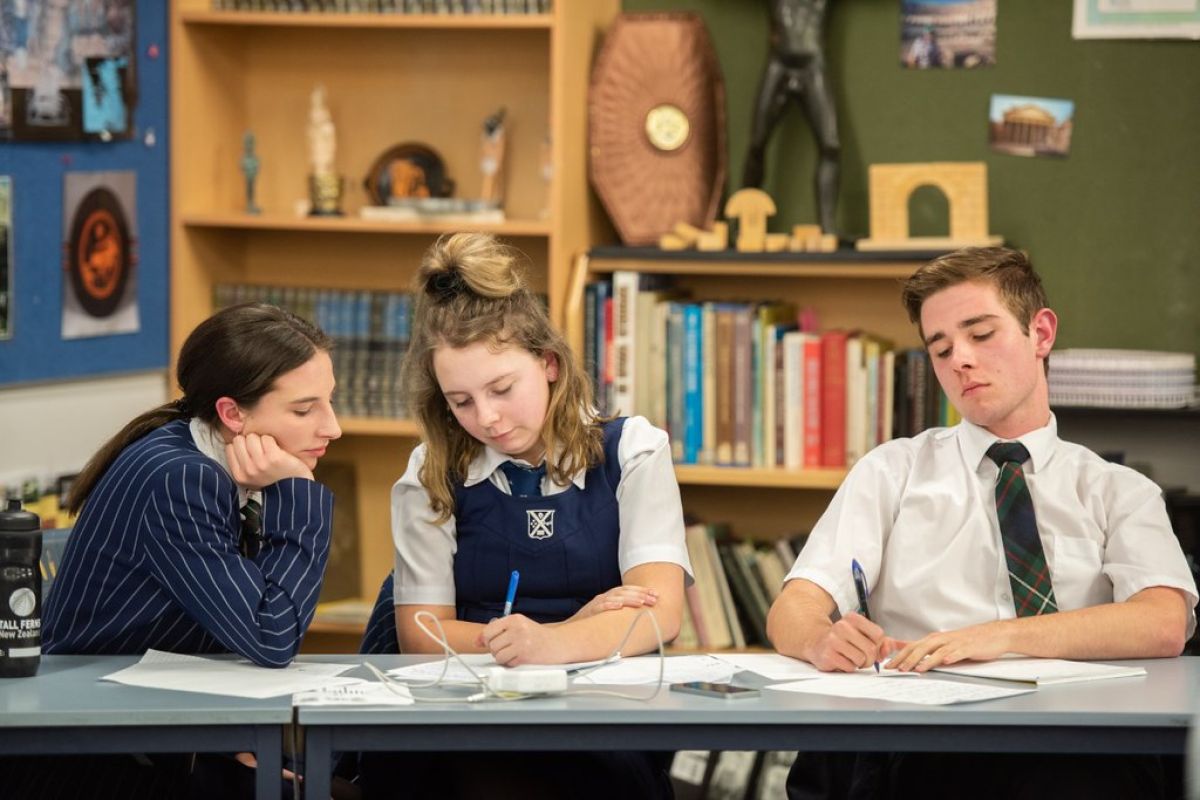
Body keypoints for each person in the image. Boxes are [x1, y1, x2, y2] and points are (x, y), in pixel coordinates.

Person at [767, 246, 1197, 800]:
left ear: (1040, 334)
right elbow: (792, 607)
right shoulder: (892, 470)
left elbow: (1162, 623)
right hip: (927, 740)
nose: (960, 360)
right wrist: (821, 639)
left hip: (1081, 740)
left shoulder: (1118, 489)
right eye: (940, 349)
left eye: (980, 334)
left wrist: (997, 639)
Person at [361, 232, 691, 799]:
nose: (486, 417)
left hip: (598, 718)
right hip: (461, 718)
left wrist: (549, 646)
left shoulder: (632, 450)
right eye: (460, 401)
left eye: (502, 388)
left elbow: (659, 616)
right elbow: (421, 635)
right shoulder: (430, 472)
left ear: (550, 363)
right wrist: (567, 632)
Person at [27, 302, 342, 798]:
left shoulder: (214, 458)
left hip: (159, 729)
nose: (332, 427)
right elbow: (271, 636)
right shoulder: (182, 477)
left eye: (329, 402)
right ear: (232, 413)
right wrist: (298, 492)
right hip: (93, 760)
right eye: (305, 410)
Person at [743, 0, 840, 237]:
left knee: (831, 145)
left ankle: (827, 226)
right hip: (779, 64)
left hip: (813, 65)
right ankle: (743, 222)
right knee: (757, 143)